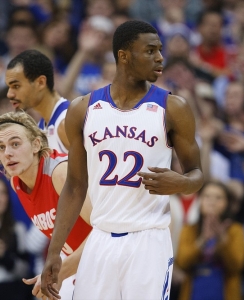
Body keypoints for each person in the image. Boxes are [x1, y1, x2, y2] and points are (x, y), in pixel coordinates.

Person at [41, 20, 204, 300]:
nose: (160, 57)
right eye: (150, 50)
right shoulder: (83, 109)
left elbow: (197, 174)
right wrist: (54, 251)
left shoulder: (173, 107)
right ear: (124, 56)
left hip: (148, 239)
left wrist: (180, 183)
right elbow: (76, 185)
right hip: (100, 237)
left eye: (160, 50)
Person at [0, 111, 92, 299]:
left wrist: (60, 272)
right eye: (1, 147)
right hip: (79, 260)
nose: (7, 153)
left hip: (110, 258)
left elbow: (105, 231)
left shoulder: (59, 174)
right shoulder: (16, 182)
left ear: (36, 145)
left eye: (15, 144)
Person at [176, 180, 244, 300]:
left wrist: (222, 238)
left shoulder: (236, 230)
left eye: (218, 198)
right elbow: (182, 262)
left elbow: (236, 265)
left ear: (227, 203)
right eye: (207, 196)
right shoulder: (189, 229)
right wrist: (202, 239)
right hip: (194, 294)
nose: (212, 202)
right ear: (200, 201)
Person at [5, 49, 70, 154]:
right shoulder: (41, 126)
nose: (9, 94)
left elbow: (95, 168)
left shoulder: (65, 122)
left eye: (16, 86)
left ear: (40, 82)